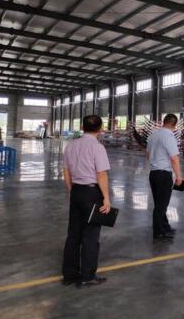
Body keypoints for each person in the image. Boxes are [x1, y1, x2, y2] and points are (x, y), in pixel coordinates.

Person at [62, 115, 111, 287]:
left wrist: (72, 190)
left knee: (73, 234)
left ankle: (69, 275)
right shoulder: (97, 147)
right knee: (90, 235)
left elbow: (66, 172)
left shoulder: (71, 146)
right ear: (100, 128)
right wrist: (106, 198)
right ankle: (87, 276)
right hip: (91, 193)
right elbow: (101, 174)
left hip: (76, 191)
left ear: (82, 127)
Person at [146, 113, 183, 241]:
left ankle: (165, 226)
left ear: (164, 121)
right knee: (162, 205)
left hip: (153, 173)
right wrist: (179, 176)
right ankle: (158, 232)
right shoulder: (169, 136)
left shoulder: (153, 135)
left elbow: (148, 154)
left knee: (159, 203)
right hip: (163, 174)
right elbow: (174, 158)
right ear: (174, 125)